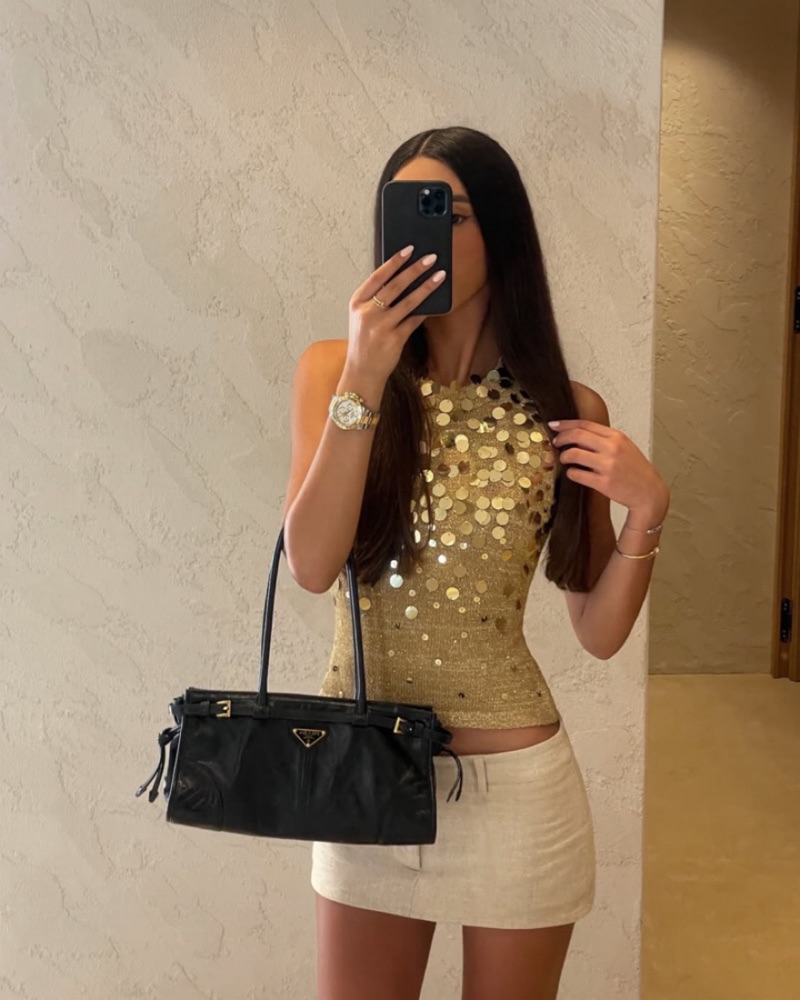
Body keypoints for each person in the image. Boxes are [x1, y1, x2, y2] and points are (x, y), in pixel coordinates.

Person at [281, 126, 669, 1000]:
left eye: (451, 214)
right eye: (409, 212)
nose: (428, 236)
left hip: (520, 795)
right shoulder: (334, 372)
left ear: (501, 230)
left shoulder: (566, 408)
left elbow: (599, 630)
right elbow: (310, 564)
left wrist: (647, 512)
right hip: (365, 780)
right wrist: (367, 375)